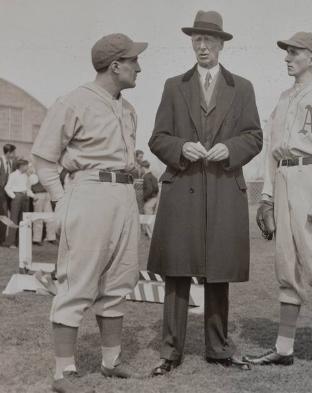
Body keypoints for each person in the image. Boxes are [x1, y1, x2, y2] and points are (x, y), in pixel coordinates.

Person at [148, 10, 262, 375]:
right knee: (176, 273)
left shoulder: (241, 87)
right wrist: (181, 147)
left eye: (209, 40)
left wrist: (231, 149)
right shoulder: (173, 85)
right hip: (183, 188)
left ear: (221, 44)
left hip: (224, 188)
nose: (202, 46)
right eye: (196, 40)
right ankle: (170, 352)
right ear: (191, 43)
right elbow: (158, 138)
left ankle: (218, 349)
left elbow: (254, 136)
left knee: (218, 273)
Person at [32, 33, 147, 393]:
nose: (138, 67)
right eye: (133, 61)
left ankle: (110, 362)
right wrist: (61, 198)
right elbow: (43, 158)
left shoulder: (128, 108)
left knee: (118, 280)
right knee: (78, 280)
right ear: (115, 65)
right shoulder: (74, 101)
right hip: (88, 191)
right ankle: (64, 371)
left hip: (124, 193)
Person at [245, 32, 312, 384]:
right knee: (286, 267)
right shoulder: (284, 97)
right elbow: (272, 152)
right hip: (286, 177)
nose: (287, 58)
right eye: (286, 52)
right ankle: (284, 348)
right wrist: (267, 196)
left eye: (294, 52)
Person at [3, 159, 35, 248]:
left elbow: (27, 188)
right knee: (14, 220)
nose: (28, 167)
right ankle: (11, 243)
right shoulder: (13, 175)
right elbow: (7, 188)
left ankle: (21, 242)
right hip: (17, 197)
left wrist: (33, 196)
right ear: (21, 166)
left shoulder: (26, 176)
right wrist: (14, 196)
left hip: (25, 198)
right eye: (26, 166)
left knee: (24, 220)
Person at [30, 171, 57, 245]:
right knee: (38, 218)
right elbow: (28, 187)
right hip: (38, 195)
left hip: (47, 195)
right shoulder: (33, 176)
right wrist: (33, 196)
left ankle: (51, 237)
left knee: (50, 217)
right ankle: (36, 239)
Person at [0, 144, 17, 244]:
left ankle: (2, 239)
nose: (15, 154)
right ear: (8, 152)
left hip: (7, 193)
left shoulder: (11, 163)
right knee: (3, 215)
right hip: (0, 192)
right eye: (13, 152)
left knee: (4, 215)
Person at [141, 160, 158, 237]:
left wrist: (144, 198)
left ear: (143, 167)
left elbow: (149, 189)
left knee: (148, 218)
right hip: (154, 198)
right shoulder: (153, 176)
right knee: (151, 217)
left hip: (149, 200)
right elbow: (156, 189)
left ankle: (151, 235)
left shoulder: (146, 177)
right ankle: (150, 233)